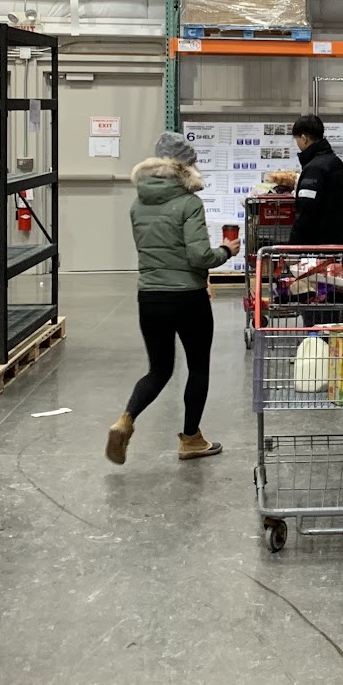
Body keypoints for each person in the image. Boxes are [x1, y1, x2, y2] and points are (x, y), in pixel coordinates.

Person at [107, 131, 233, 465]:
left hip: (150, 297)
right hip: (188, 298)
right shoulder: (190, 203)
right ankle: (191, 439)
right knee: (198, 367)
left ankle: (126, 419)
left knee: (159, 369)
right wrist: (225, 251)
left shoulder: (138, 204)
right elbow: (198, 256)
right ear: (185, 166)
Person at [288, 114, 343, 246]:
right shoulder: (335, 162)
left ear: (304, 138)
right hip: (337, 240)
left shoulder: (314, 168)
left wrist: (293, 245)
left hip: (318, 244)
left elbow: (307, 210)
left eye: (297, 139)